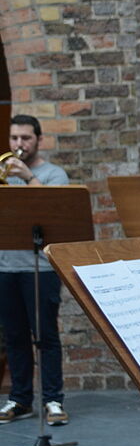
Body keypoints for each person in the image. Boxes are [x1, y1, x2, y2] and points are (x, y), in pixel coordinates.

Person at [0, 115, 70, 426]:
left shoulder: (54, 175)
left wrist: (29, 177)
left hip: (40, 270)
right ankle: (20, 398)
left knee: (46, 336)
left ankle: (53, 400)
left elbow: (51, 209)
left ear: (38, 140)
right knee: (14, 336)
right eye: (14, 138)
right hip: (6, 267)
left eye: (25, 138)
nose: (18, 145)